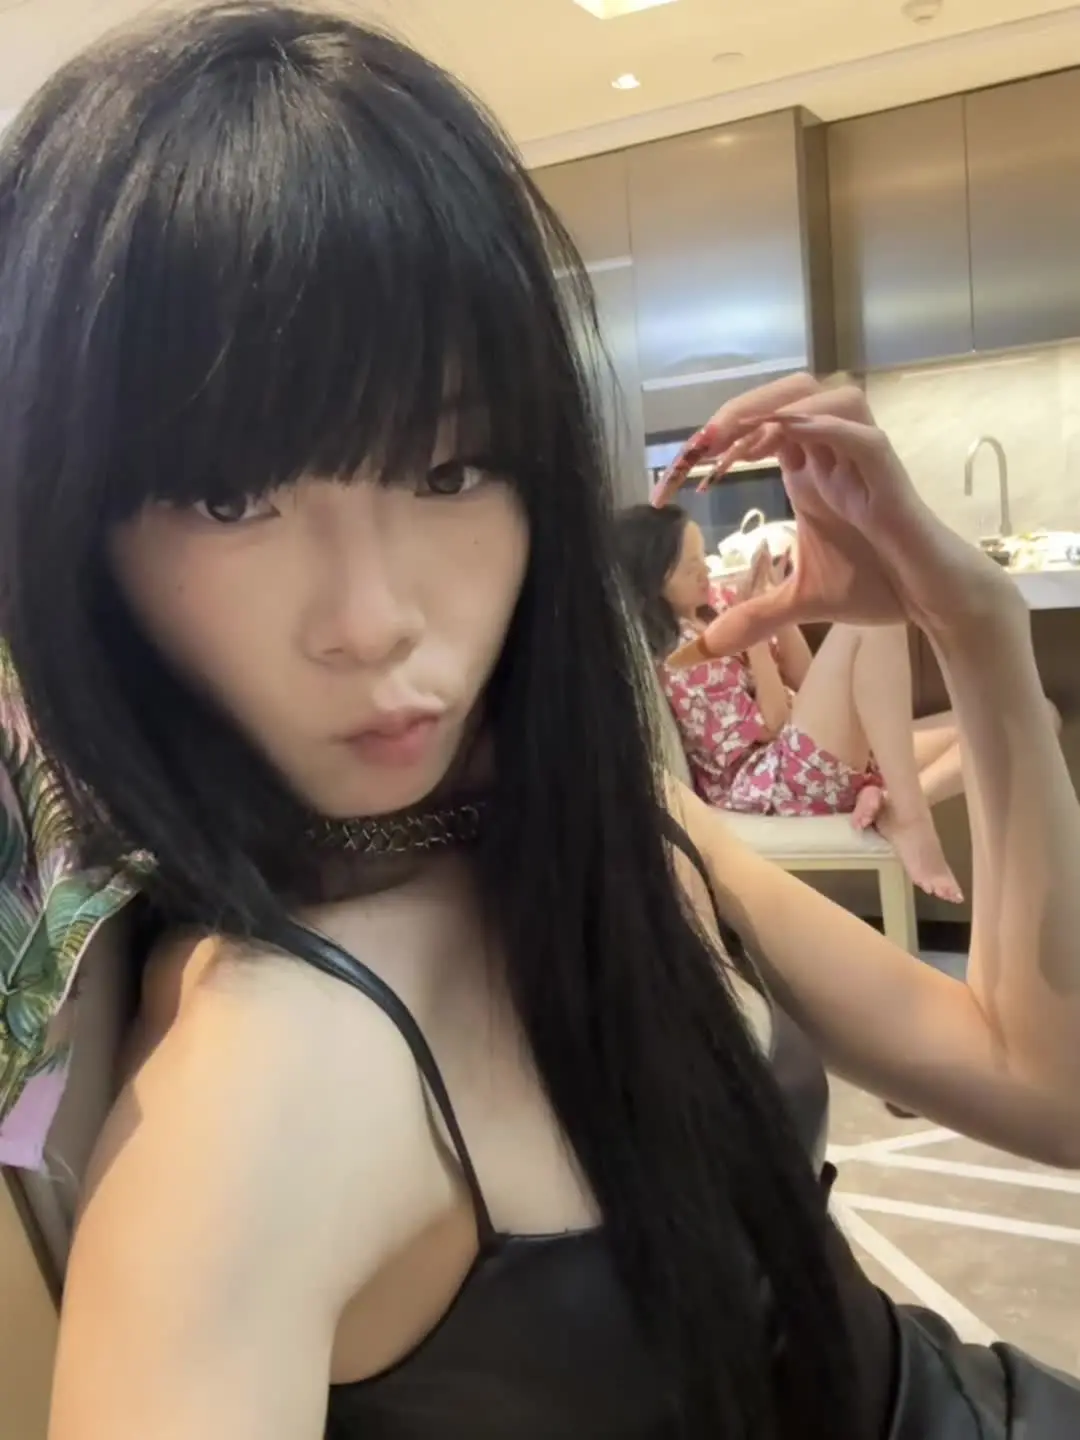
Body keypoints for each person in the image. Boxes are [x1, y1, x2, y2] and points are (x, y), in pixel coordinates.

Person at [0, 6, 1078, 1439]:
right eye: (230, 497)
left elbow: (1042, 1084)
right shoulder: (258, 1097)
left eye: (450, 470)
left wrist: (977, 629)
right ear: (79, 535)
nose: (373, 617)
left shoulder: (610, 829)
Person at [616, 503, 969, 899]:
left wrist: (777, 608)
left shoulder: (713, 612)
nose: (705, 571)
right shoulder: (681, 659)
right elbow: (774, 722)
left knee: (994, 731)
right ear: (653, 581)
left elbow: (803, 678)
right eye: (690, 567)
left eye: (703, 557)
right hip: (769, 781)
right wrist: (752, 631)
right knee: (874, 618)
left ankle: (895, 806)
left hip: (801, 753)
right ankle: (909, 814)